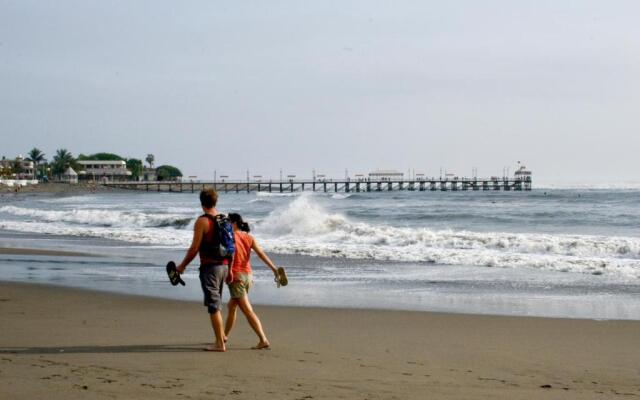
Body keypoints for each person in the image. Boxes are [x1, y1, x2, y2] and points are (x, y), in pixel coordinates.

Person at [176, 189, 231, 352]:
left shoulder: (202, 221)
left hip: (210, 267)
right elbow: (231, 247)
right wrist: (231, 269)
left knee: (214, 307)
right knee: (217, 302)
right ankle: (220, 338)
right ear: (216, 201)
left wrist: (183, 265)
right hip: (225, 266)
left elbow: (194, 248)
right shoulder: (225, 219)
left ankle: (220, 344)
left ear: (202, 203)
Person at [224, 213, 279, 350]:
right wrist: (274, 269)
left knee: (248, 311)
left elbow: (229, 255)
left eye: (228, 221)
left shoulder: (231, 236)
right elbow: (261, 254)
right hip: (248, 276)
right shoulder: (248, 237)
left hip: (236, 277)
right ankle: (223, 336)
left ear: (235, 223)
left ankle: (263, 339)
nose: (226, 224)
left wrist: (227, 272)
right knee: (232, 306)